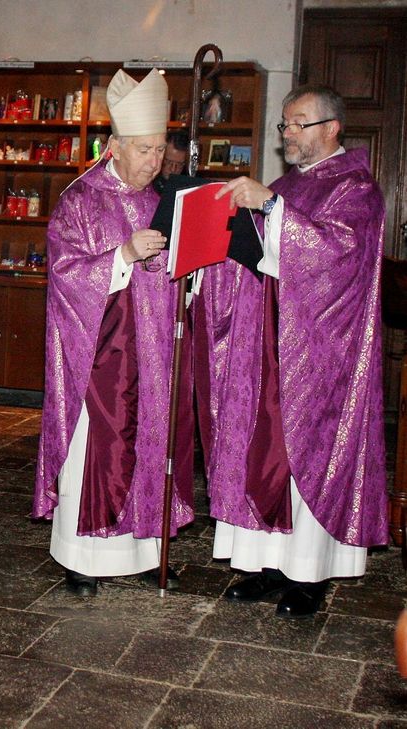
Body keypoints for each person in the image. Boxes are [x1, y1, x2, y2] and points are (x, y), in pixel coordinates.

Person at [204, 84, 387, 617]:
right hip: (266, 346)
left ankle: (307, 573)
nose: (286, 134)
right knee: (263, 450)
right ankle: (262, 564)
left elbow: (337, 256)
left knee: (308, 450)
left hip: (322, 354)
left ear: (331, 128)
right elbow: (257, 255)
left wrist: (273, 208)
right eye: (284, 124)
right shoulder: (286, 184)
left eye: (297, 124)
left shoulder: (357, 190)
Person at [34, 68, 194, 598]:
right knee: (99, 447)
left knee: (153, 443)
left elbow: (174, 273)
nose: (156, 161)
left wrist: (187, 272)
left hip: (154, 352)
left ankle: (147, 547)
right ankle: (83, 554)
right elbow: (64, 273)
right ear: (115, 146)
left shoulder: (160, 202)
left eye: (159, 151)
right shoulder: (81, 200)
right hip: (100, 353)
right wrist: (123, 254)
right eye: (145, 150)